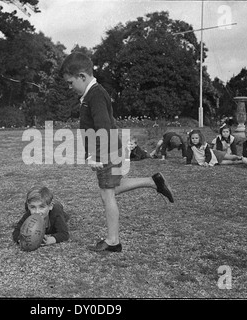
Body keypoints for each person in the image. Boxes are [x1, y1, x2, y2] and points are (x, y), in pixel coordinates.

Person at [60, 51, 174, 253]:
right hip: (110, 149)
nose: (70, 87)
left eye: (70, 83)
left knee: (107, 194)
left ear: (82, 77)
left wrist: (96, 156)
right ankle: (153, 181)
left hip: (106, 152)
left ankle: (113, 241)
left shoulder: (95, 95)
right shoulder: (92, 93)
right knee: (114, 187)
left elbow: (103, 126)